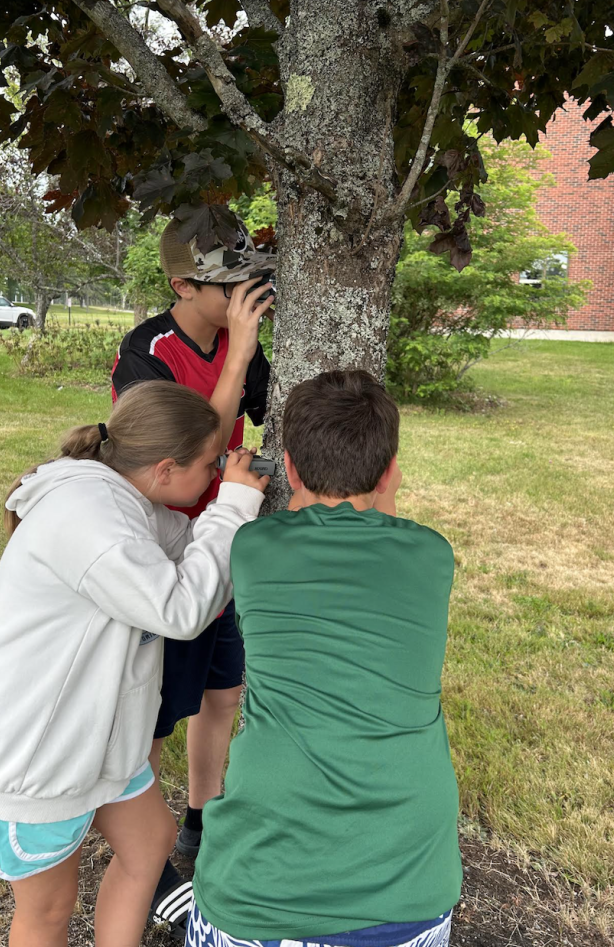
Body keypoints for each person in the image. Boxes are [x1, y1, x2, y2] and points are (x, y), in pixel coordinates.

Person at [0, 381, 269, 947]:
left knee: (150, 846)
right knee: (48, 912)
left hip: (95, 743)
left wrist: (232, 513)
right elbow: (181, 607)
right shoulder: (88, 515)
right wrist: (235, 504)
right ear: (167, 469)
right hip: (34, 758)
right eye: (210, 465)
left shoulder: (126, 501)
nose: (216, 477)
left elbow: (192, 546)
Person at [191, 370, 463, 947]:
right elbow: (385, 528)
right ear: (390, 471)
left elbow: (300, 527)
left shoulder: (255, 547)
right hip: (411, 882)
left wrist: (241, 489)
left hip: (258, 888)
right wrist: (378, 485)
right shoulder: (433, 557)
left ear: (287, 469)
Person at [111, 215, 275, 934]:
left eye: (251, 276)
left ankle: (200, 820)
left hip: (228, 533)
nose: (247, 292)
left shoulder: (245, 338)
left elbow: (272, 412)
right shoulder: (147, 352)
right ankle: (141, 851)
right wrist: (238, 352)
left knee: (223, 688)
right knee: (150, 711)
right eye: (228, 283)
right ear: (182, 285)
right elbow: (190, 449)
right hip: (167, 547)